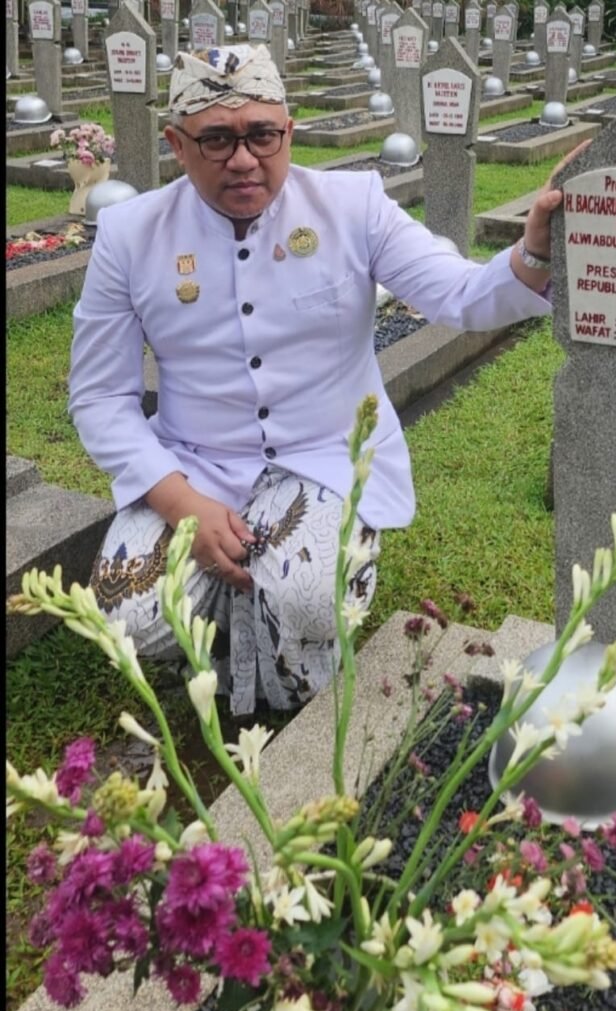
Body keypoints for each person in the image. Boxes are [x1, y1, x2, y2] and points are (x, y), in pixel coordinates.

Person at [69, 44, 567, 717]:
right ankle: (242, 613)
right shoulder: (131, 233)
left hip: (324, 456)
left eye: (262, 135)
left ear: (289, 131)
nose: (243, 158)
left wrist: (532, 250)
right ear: (175, 145)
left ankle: (286, 620)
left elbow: (461, 294)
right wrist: (179, 501)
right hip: (197, 461)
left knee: (306, 599)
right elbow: (99, 395)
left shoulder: (351, 204)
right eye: (215, 138)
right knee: (129, 613)